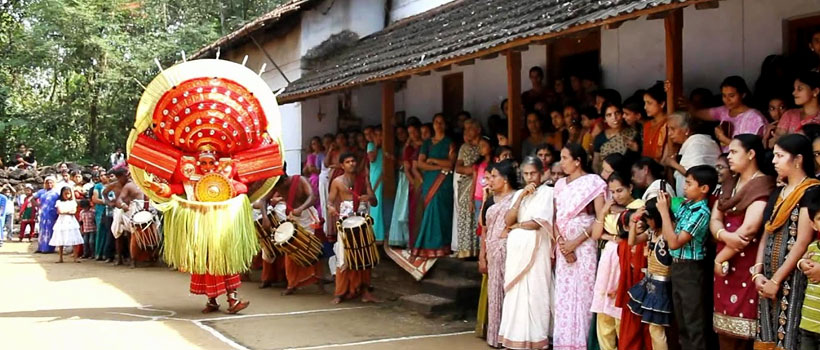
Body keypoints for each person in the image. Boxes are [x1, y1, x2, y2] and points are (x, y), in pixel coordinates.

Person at [708, 134, 775, 349]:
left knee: (745, 331)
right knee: (724, 330)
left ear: (751, 154)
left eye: (734, 152)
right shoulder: (731, 183)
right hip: (725, 262)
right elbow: (715, 218)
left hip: (746, 263)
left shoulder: (762, 185)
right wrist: (724, 236)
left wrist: (720, 258)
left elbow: (749, 230)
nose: (729, 156)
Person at [754, 134, 820, 349]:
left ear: (798, 159)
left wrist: (777, 280)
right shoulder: (779, 191)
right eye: (774, 155)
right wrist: (758, 273)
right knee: (767, 335)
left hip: (792, 277)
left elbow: (802, 241)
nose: (774, 161)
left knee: (789, 334)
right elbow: (766, 233)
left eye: (780, 156)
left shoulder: (811, 191)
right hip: (768, 278)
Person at [657, 165, 719, 350]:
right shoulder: (685, 206)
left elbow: (674, 242)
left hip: (692, 269)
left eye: (690, 183)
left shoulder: (701, 213)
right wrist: (667, 210)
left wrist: (663, 212)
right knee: (682, 322)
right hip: (678, 267)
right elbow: (670, 231)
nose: (684, 187)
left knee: (694, 322)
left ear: (704, 188)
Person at [553, 143, 607, 350]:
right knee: (564, 296)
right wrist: (563, 245)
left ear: (578, 161)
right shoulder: (560, 185)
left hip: (584, 246)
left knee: (584, 294)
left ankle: (583, 344)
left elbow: (600, 217)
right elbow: (556, 218)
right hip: (563, 247)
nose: (561, 162)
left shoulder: (594, 182)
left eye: (565, 158)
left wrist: (574, 243)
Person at [497, 157, 554, 349]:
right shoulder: (518, 195)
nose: (530, 177)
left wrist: (517, 226)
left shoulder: (548, 193)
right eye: (526, 174)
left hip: (537, 251)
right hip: (517, 255)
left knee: (536, 292)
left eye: (533, 173)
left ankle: (537, 339)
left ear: (541, 173)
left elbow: (536, 223)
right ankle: (514, 337)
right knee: (516, 295)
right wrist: (521, 197)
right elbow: (508, 220)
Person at [590, 173, 644, 350]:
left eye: (620, 190)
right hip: (608, 258)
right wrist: (604, 211)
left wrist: (611, 236)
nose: (616, 195)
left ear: (630, 187)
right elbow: (596, 234)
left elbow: (628, 237)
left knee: (620, 308)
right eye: (612, 192)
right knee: (603, 310)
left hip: (626, 257)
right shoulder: (610, 206)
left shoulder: (639, 206)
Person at [262, 168, 324, 296]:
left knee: (311, 249)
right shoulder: (276, 184)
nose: (280, 188)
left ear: (285, 177)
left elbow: (312, 196)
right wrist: (265, 217)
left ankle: (319, 282)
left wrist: (301, 208)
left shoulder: (300, 180)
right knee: (290, 250)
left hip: (307, 215)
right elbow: (263, 200)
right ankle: (292, 284)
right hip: (292, 216)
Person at [327, 152, 379, 304]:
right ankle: (340, 293)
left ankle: (365, 291)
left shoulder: (363, 179)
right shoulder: (337, 182)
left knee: (364, 256)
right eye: (348, 162)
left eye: (353, 161)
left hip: (362, 220)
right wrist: (331, 208)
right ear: (342, 165)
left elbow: (374, 202)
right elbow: (330, 201)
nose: (352, 164)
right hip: (345, 222)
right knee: (343, 256)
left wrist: (369, 197)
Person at [478, 160, 518, 348]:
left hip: (512, 251)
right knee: (494, 294)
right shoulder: (490, 201)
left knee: (511, 294)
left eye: (494, 176)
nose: (490, 180)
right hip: (493, 252)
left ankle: (510, 337)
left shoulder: (517, 199)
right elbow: (484, 229)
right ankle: (495, 337)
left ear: (506, 179)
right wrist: (482, 255)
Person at [626, 198, 672, 350]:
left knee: (656, 330)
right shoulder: (652, 232)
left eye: (649, 219)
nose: (648, 222)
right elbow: (632, 241)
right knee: (654, 330)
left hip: (662, 285)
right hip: (650, 282)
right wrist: (634, 221)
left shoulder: (668, 231)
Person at [413, 114, 455, 258]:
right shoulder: (427, 143)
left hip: (444, 182)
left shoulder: (450, 142)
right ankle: (429, 245)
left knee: (442, 211)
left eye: (442, 122)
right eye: (436, 122)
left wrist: (433, 160)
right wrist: (439, 166)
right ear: (433, 124)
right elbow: (420, 163)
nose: (439, 125)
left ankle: (443, 245)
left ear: (445, 125)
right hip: (430, 180)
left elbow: (451, 163)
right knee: (431, 209)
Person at [689, 76, 768, 151]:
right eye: (724, 96)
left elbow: (749, 149)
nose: (727, 100)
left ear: (743, 95)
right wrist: (688, 106)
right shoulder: (723, 111)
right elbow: (698, 113)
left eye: (731, 96)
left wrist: (724, 139)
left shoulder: (754, 117)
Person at [663, 112, 721, 197]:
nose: (669, 133)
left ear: (686, 131)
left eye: (673, 129)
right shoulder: (692, 142)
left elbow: (694, 175)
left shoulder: (697, 143)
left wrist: (672, 163)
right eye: (669, 130)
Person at [111, 169, 157, 268]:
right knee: (131, 236)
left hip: (150, 211)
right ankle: (131, 259)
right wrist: (123, 205)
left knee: (153, 234)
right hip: (134, 212)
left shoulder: (151, 184)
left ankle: (151, 257)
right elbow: (119, 199)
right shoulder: (130, 186)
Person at [388, 119, 423, 247]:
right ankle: (409, 240)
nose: (413, 135)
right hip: (409, 182)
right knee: (405, 212)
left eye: (415, 132)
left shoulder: (425, 145)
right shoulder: (408, 148)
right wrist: (413, 183)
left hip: (423, 179)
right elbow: (407, 168)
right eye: (410, 133)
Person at [453, 119, 481, 258]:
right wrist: (471, 170)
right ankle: (465, 250)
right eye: (466, 129)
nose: (467, 132)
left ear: (478, 130)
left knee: (477, 214)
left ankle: (477, 249)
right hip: (466, 184)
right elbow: (458, 167)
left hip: (479, 184)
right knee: (465, 213)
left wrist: (477, 172)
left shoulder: (483, 146)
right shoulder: (464, 147)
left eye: (471, 129)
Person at [797, 189, 820, 349]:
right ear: (813, 224)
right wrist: (802, 264)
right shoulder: (813, 247)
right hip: (808, 322)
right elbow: (802, 259)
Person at [594, 102, 637, 172]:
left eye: (617, 113)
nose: (614, 118)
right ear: (604, 119)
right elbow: (595, 164)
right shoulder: (600, 138)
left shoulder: (632, 133)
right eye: (609, 115)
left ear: (622, 114)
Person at [776, 71, 820, 136]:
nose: (794, 93)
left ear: (815, 91)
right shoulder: (789, 115)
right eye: (794, 89)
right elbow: (778, 139)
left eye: (799, 89)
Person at [49, 187, 83, 263]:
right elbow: (59, 211)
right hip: (62, 221)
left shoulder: (73, 202)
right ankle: (60, 258)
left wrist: (65, 212)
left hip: (71, 221)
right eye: (65, 194)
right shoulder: (59, 202)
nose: (67, 195)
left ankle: (75, 257)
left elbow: (73, 211)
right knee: (60, 239)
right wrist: (68, 212)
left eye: (68, 194)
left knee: (74, 239)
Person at [367, 127, 386, 242]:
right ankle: (376, 235)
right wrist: (376, 144)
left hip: (384, 178)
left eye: (381, 135)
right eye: (377, 135)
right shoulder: (371, 145)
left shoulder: (386, 148)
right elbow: (372, 158)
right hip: (375, 179)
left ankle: (383, 235)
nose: (379, 137)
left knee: (384, 206)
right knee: (376, 206)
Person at [642, 82, 669, 161]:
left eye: (649, 103)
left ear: (662, 104)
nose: (645, 107)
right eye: (645, 103)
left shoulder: (669, 123)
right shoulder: (647, 125)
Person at [34, 176, 60, 254]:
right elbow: (32, 198)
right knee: (42, 229)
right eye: (48, 183)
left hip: (52, 212)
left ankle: (49, 248)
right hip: (43, 213)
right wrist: (37, 205)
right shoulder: (41, 191)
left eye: (51, 183)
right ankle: (41, 247)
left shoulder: (57, 192)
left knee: (50, 229)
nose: (49, 184)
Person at [91, 171, 111, 261]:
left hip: (110, 211)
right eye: (101, 175)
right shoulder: (97, 186)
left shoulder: (112, 185)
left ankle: (106, 253)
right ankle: (98, 253)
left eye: (104, 175)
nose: (103, 177)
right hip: (100, 210)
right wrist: (107, 202)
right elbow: (95, 199)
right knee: (100, 231)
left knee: (108, 232)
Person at [304, 136, 324, 216]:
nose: (316, 145)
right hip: (314, 179)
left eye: (317, 143)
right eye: (313, 144)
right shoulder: (311, 156)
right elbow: (310, 169)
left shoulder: (323, 154)